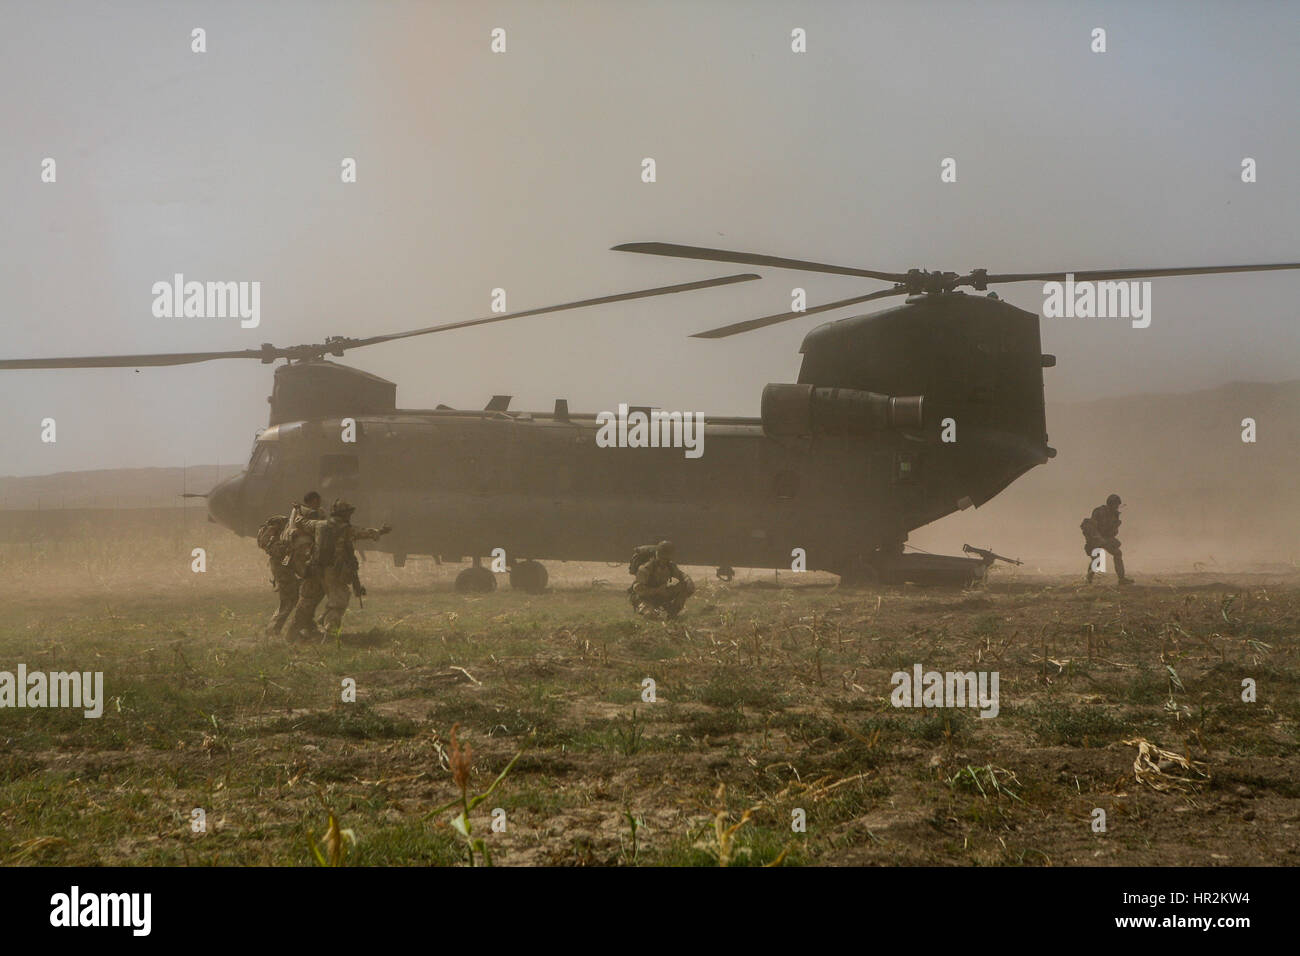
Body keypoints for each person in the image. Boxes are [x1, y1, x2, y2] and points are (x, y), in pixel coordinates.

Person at [292, 499, 391, 640]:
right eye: (348, 513)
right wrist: (381, 531)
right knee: (339, 602)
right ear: (344, 514)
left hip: (314, 570)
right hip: (333, 572)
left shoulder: (319, 525)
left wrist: (298, 511)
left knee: (307, 601)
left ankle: (293, 632)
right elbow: (366, 532)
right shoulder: (346, 529)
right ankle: (330, 633)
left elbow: (302, 523)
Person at [266, 491, 324, 638]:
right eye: (318, 502)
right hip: (284, 563)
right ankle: (272, 632)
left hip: (290, 562)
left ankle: (307, 627)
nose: (319, 505)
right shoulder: (305, 514)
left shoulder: (298, 513)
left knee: (305, 595)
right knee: (289, 599)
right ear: (312, 501)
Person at [628, 540, 695, 620]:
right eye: (663, 557)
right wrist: (656, 590)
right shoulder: (645, 569)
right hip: (644, 598)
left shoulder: (670, 566)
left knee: (683, 586)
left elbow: (681, 575)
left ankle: (673, 613)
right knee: (651, 616)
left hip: (660, 595)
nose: (664, 560)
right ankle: (649, 611)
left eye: (667, 557)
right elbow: (638, 589)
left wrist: (689, 581)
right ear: (658, 555)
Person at [1081, 493, 1130, 585]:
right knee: (1098, 560)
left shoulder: (1114, 514)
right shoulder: (1099, 511)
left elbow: (1112, 532)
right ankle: (1088, 580)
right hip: (1095, 539)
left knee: (1117, 553)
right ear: (1111, 504)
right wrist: (1097, 539)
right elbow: (1091, 527)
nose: (1117, 506)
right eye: (1116, 504)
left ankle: (1122, 579)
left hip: (1106, 539)